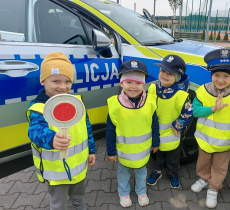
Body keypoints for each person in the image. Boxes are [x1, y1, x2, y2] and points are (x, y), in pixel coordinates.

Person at [27, 52, 96, 210]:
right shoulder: (38, 108)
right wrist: (51, 139)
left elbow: (87, 128)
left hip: (78, 167)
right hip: (56, 173)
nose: (63, 86)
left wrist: (91, 150)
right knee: (59, 204)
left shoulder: (77, 102)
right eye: (56, 81)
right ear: (43, 80)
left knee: (79, 196)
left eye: (67, 81)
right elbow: (35, 131)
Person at [190, 48, 230, 209]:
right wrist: (211, 109)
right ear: (211, 75)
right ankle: (203, 178)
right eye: (217, 75)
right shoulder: (202, 91)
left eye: (226, 76)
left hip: (225, 143)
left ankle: (214, 188)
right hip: (204, 140)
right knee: (203, 163)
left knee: (220, 167)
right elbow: (194, 111)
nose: (220, 80)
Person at [106, 59, 160, 208]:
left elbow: (154, 123)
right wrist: (111, 151)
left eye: (138, 83)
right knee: (123, 172)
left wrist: (156, 142)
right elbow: (110, 130)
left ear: (143, 84)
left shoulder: (150, 101)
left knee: (141, 172)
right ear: (121, 83)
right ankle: (123, 193)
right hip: (123, 151)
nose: (133, 87)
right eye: (129, 82)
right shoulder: (115, 104)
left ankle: (141, 192)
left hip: (142, 151)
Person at [146, 55, 193, 188]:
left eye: (170, 74)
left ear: (178, 77)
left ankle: (173, 172)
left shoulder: (181, 95)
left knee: (173, 157)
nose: (165, 75)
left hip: (173, 135)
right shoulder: (152, 88)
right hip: (156, 133)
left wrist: (178, 125)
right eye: (163, 71)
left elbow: (188, 112)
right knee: (158, 154)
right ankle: (157, 170)